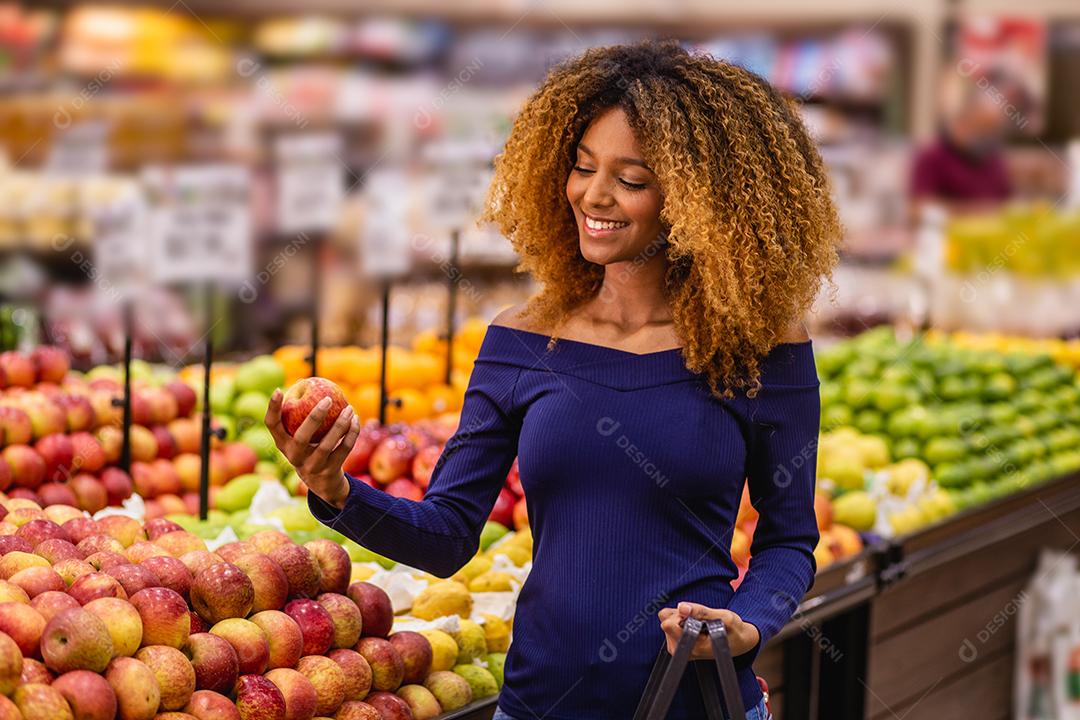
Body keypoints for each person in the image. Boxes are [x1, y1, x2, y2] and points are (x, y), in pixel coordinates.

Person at [266, 39, 840, 720]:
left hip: (698, 701)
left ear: (698, 200)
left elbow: (788, 539)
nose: (594, 196)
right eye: (582, 167)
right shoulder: (522, 339)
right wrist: (333, 489)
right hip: (538, 704)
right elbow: (449, 535)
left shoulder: (760, 349)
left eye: (631, 179)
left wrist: (746, 623)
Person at [910, 69, 1017, 213]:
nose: (989, 135)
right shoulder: (931, 156)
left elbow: (1007, 205)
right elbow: (918, 209)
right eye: (984, 127)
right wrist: (977, 211)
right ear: (964, 122)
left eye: (994, 129)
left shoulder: (994, 159)